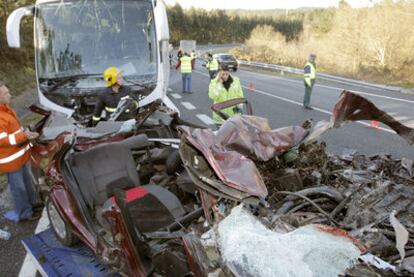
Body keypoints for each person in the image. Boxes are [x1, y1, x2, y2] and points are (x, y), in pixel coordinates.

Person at [0, 82, 41, 222]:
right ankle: (25, 214)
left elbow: (15, 130)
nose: (10, 95)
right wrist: (25, 136)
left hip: (21, 155)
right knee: (18, 189)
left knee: (28, 182)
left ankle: (34, 204)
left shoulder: (6, 109)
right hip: (11, 161)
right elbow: (3, 140)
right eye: (6, 93)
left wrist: (26, 132)